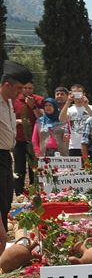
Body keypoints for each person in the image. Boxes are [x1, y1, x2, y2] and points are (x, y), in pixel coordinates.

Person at [1, 61, 32, 230]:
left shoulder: (10, 102)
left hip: (6, 155)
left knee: (5, 201)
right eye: (19, 88)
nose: (20, 93)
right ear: (7, 85)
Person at [12, 81, 43, 194]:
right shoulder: (15, 100)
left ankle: (34, 193)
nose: (27, 90)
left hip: (34, 141)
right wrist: (18, 121)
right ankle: (19, 193)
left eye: (30, 88)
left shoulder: (38, 100)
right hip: (19, 140)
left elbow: (43, 117)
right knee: (19, 168)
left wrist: (33, 106)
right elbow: (8, 118)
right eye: (25, 88)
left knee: (34, 169)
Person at [60, 84, 92, 157]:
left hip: (90, 146)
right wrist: (68, 102)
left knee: (91, 168)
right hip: (74, 146)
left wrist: (86, 105)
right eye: (75, 93)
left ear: (84, 94)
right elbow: (61, 119)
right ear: (71, 94)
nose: (77, 95)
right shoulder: (69, 110)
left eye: (79, 92)